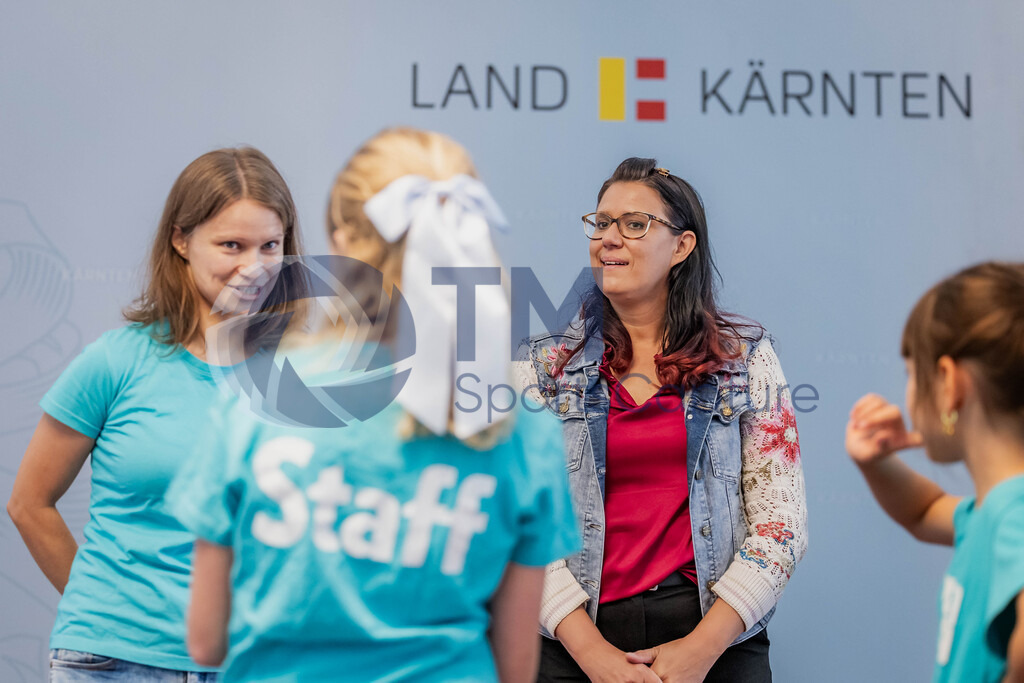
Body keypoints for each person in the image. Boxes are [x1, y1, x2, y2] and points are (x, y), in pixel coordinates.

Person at [167, 127, 579, 682]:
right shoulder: (519, 427)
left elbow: (205, 641)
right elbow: (515, 665)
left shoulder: (258, 398)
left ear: (342, 238)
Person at [6, 146, 305, 681]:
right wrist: (106, 610)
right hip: (111, 663)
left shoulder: (306, 379)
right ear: (181, 240)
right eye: (231, 245)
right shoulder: (116, 360)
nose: (253, 267)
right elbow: (30, 503)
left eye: (270, 246)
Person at [517, 158, 808, 682]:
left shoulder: (745, 357)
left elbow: (781, 527)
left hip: (715, 638)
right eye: (601, 223)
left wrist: (701, 649)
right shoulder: (541, 365)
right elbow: (520, 523)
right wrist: (592, 655)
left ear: (681, 246)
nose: (609, 238)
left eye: (634, 224)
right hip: (573, 642)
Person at [845, 262, 1024, 682]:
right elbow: (923, 512)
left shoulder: (1013, 518)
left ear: (948, 383)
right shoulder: (992, 511)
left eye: (911, 374)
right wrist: (875, 461)